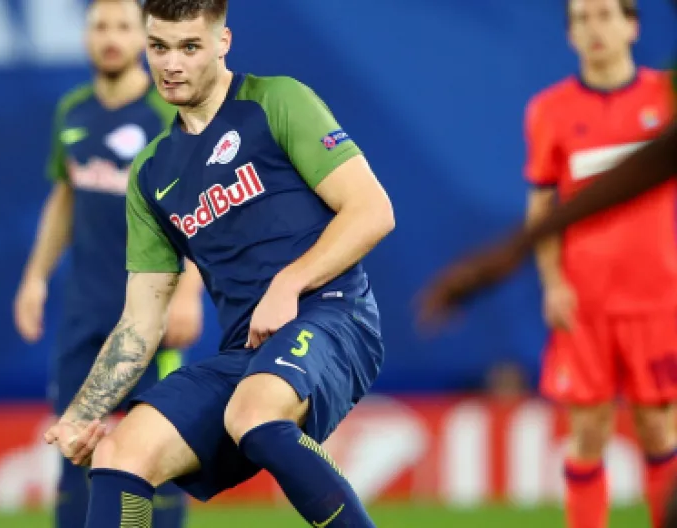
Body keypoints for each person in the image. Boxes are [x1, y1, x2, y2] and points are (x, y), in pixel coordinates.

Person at [42, 1, 395, 526]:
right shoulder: (151, 172)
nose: (171, 64)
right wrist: (82, 414)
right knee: (120, 453)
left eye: (189, 47)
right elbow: (140, 321)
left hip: (333, 316)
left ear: (222, 43)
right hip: (246, 351)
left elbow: (372, 211)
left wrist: (289, 283)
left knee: (253, 415)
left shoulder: (276, 101)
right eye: (159, 47)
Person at [425, 3, 677, 526]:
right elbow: (542, 205)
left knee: (660, 432)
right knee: (589, 433)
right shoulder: (549, 111)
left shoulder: (664, 96)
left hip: (658, 297)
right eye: (581, 19)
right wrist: (553, 282)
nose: (593, 29)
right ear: (569, 35)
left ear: (632, 26)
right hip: (586, 300)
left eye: (604, 15)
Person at [12, 1, 202, 526]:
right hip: (85, 312)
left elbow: (197, 205)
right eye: (100, 26)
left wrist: (189, 292)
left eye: (123, 26)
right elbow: (64, 196)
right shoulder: (73, 110)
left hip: (150, 314)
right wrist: (34, 279)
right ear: (86, 37)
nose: (110, 37)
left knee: (159, 451)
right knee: (73, 447)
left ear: (144, 38)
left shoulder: (166, 113)